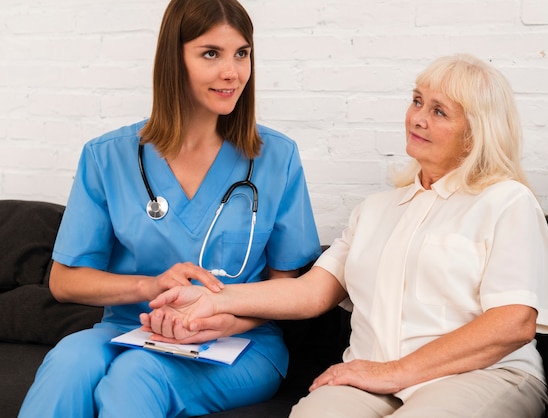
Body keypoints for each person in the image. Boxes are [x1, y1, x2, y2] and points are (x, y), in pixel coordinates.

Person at [142, 54, 548, 418]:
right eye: (417, 101)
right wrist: (213, 299)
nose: (417, 117)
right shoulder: (376, 210)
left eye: (439, 111)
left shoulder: (506, 202)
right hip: (370, 379)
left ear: (476, 132)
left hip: (477, 378)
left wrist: (393, 371)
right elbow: (310, 294)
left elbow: (514, 323)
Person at [18, 0, 321, 417]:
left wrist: (222, 318)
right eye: (210, 53)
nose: (232, 72)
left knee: (137, 374)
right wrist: (150, 287)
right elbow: (65, 281)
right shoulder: (107, 157)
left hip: (237, 339)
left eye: (242, 53)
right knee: (68, 360)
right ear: (173, 60)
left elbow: (287, 287)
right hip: (129, 328)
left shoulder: (276, 158)